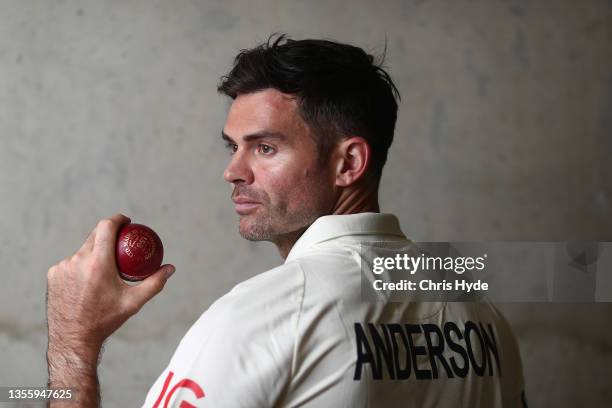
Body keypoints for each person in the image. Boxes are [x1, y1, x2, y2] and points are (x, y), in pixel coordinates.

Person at [46, 34, 526, 407]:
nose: (233, 171)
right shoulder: (476, 309)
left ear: (349, 164)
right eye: (233, 147)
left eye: (265, 147)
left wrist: (75, 342)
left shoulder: (261, 316)